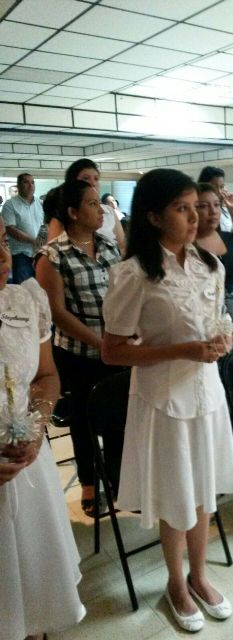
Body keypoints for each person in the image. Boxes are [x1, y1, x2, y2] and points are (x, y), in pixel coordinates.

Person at [101, 169, 233, 633]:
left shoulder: (211, 265)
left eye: (197, 207)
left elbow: (215, 323)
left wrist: (221, 341)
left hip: (207, 394)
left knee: (203, 491)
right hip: (164, 400)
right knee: (177, 495)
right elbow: (113, 351)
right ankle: (175, 583)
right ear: (154, 217)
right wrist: (184, 350)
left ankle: (199, 575)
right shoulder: (134, 274)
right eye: (182, 209)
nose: (195, 217)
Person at [0, 217, 85, 640]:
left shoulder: (25, 301)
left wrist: (36, 427)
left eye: (2, 240)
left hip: (28, 465)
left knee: (33, 587)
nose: (2, 256)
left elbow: (46, 376)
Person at [36, 180, 122, 516]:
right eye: (92, 204)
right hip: (78, 355)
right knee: (84, 422)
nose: (101, 210)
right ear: (73, 212)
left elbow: (123, 292)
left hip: (114, 350)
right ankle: (89, 484)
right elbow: (57, 312)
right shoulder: (52, 256)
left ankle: (117, 479)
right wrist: (100, 342)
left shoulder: (108, 246)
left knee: (115, 419)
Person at [195, 183, 233, 331]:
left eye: (217, 205)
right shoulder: (188, 246)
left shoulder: (229, 238)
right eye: (203, 206)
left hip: (232, 323)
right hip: (202, 326)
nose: (213, 211)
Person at [47, 158, 125, 253]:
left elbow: (122, 246)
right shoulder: (63, 213)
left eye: (96, 179)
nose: (93, 183)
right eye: (85, 178)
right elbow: (54, 250)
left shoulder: (108, 211)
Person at [1, 173, 44, 283]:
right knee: (23, 287)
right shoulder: (10, 205)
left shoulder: (40, 204)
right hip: (21, 255)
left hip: (40, 253)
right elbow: (10, 229)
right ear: (18, 185)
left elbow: (45, 225)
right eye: (26, 182)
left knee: (41, 287)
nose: (30, 185)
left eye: (32, 182)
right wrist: (33, 241)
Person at [197, 166, 233, 247]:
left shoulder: (225, 211)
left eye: (222, 187)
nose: (219, 191)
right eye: (214, 187)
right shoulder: (199, 212)